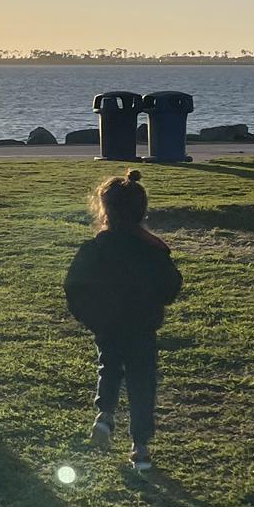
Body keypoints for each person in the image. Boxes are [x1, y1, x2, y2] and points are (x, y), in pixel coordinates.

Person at [64, 168, 183, 476]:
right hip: (142, 327)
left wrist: (90, 317)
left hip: (107, 325)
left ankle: (104, 415)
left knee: (109, 366)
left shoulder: (95, 248)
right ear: (142, 211)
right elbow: (170, 286)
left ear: (104, 210)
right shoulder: (153, 250)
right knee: (142, 383)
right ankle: (140, 448)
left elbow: (74, 285)